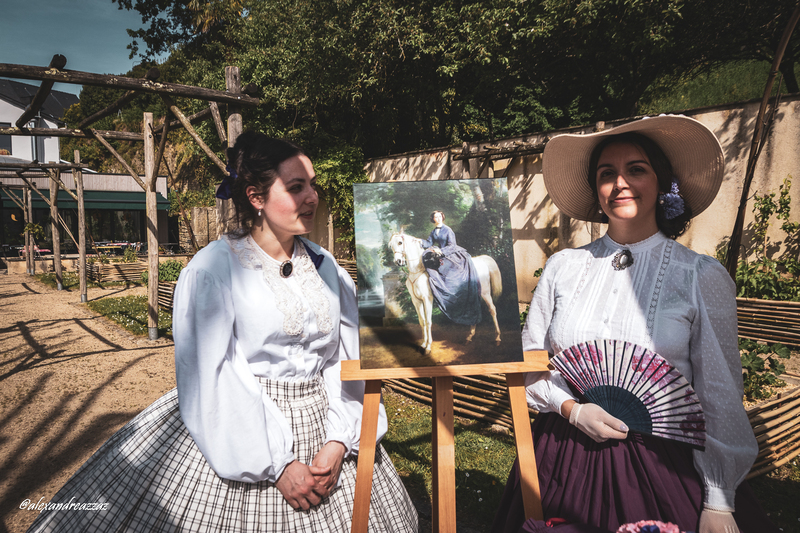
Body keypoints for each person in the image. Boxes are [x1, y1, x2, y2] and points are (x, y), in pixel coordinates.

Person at [27, 132, 418, 532]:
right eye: (296, 187)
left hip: (327, 421)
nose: (312, 197)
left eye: (312, 184)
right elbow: (216, 374)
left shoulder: (327, 266)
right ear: (255, 197)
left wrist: (338, 441)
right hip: (241, 425)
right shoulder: (213, 269)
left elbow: (348, 356)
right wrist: (278, 464)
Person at [491, 115, 777, 533]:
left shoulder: (698, 276)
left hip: (663, 466)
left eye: (636, 169)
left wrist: (718, 498)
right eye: (607, 174)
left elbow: (719, 393)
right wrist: (572, 409)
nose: (620, 183)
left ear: (663, 183)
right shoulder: (564, 268)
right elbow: (529, 364)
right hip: (562, 454)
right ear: (597, 189)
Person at [421, 210, 482, 326]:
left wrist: (441, 251)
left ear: (442, 217)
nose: (438, 218)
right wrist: (418, 241)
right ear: (433, 219)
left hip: (451, 253)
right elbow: (428, 243)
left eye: (439, 216)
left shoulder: (448, 230)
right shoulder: (434, 232)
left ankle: (453, 293)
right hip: (440, 255)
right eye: (435, 217)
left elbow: (452, 245)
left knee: (453, 274)